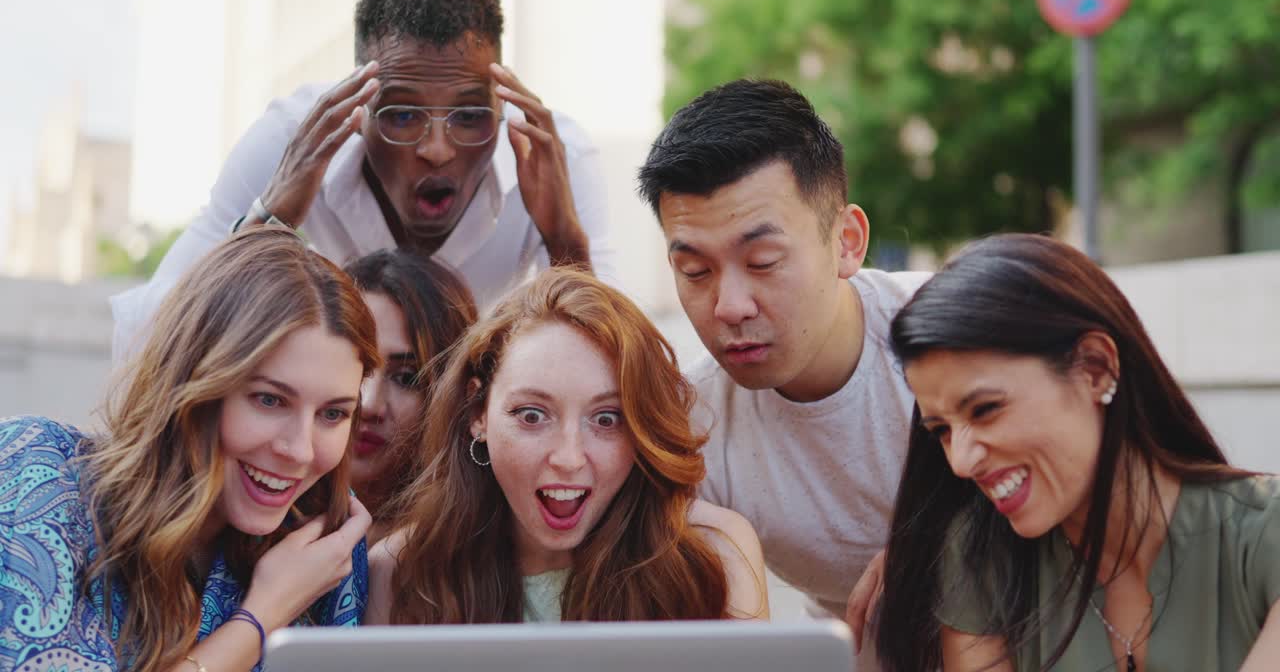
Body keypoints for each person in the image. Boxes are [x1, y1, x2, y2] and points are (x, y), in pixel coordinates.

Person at [111, 0, 617, 362]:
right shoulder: (296, 139)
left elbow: (630, 378)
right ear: (360, 105)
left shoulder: (552, 154)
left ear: (502, 105)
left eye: (468, 116)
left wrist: (566, 246)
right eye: (402, 115)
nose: (437, 150)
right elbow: (145, 341)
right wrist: (269, 222)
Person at [874, 233, 1280, 672]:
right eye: (942, 431)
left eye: (986, 409)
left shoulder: (1262, 537)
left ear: (1094, 367)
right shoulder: (979, 557)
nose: (962, 462)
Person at [0, 228, 376, 672]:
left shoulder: (322, 542)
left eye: (332, 414)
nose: (299, 450)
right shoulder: (37, 473)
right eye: (269, 400)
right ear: (193, 382)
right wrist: (262, 617)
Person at [637, 79, 926, 641]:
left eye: (763, 260)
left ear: (846, 241)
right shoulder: (693, 427)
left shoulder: (952, 339)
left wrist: (949, 552)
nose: (730, 306)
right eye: (695, 272)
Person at [366, 267, 768, 623]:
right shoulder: (398, 573)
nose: (569, 457)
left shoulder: (713, 552)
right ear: (478, 414)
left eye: (606, 419)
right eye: (532, 416)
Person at [344, 249, 477, 544]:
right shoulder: (254, 518)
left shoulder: (466, 554)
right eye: (355, 367)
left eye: (406, 378)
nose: (369, 404)